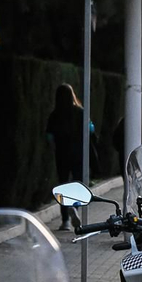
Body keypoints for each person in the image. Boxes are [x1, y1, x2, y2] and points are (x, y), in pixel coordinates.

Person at [47, 83, 98, 231]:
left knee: (63, 185)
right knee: (77, 185)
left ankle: (65, 221)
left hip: (62, 154)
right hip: (79, 153)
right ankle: (75, 207)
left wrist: (55, 148)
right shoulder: (80, 112)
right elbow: (91, 130)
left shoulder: (54, 115)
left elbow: (49, 136)